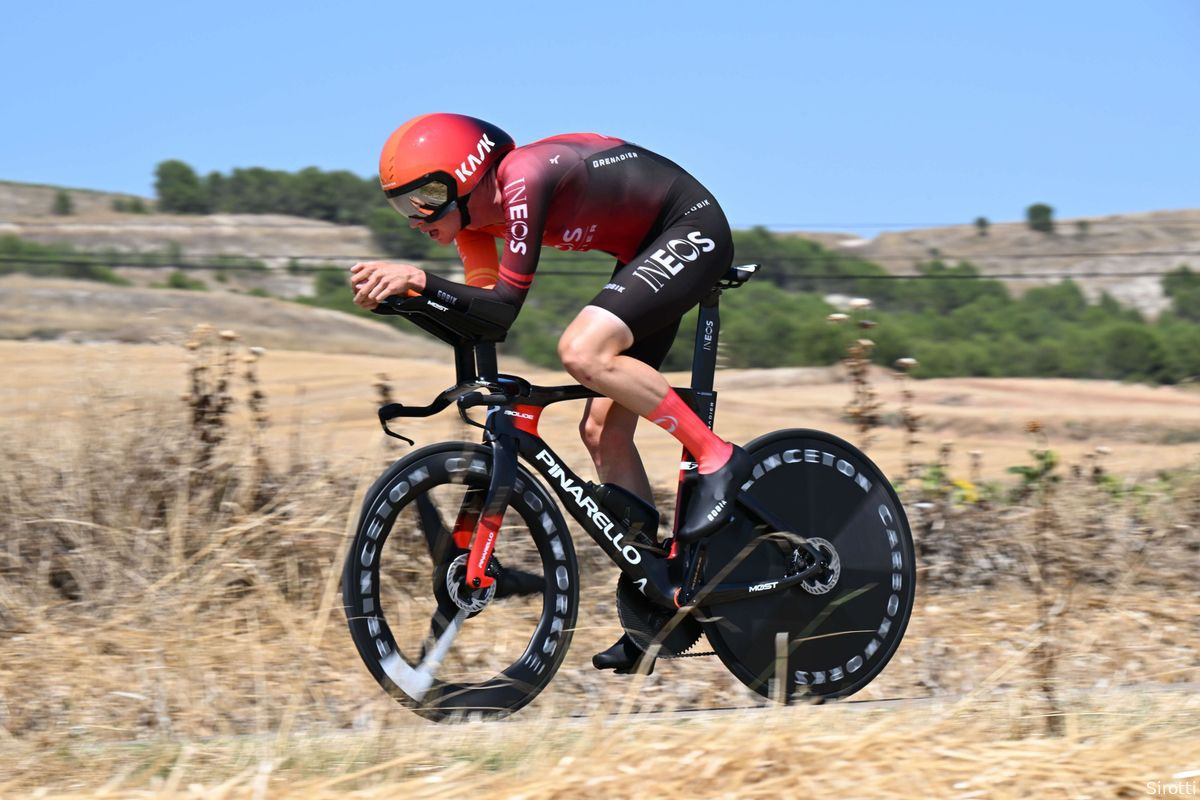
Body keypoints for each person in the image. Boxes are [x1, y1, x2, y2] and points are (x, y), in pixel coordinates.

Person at [350, 113, 751, 672]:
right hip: (641, 251)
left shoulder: (524, 179)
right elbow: (484, 320)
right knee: (601, 431)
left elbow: (503, 306)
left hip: (689, 226)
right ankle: (662, 590)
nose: (417, 218)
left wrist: (419, 280)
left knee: (583, 352)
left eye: (426, 197)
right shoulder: (474, 225)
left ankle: (716, 457)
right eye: (403, 206)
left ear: (466, 175)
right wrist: (408, 301)